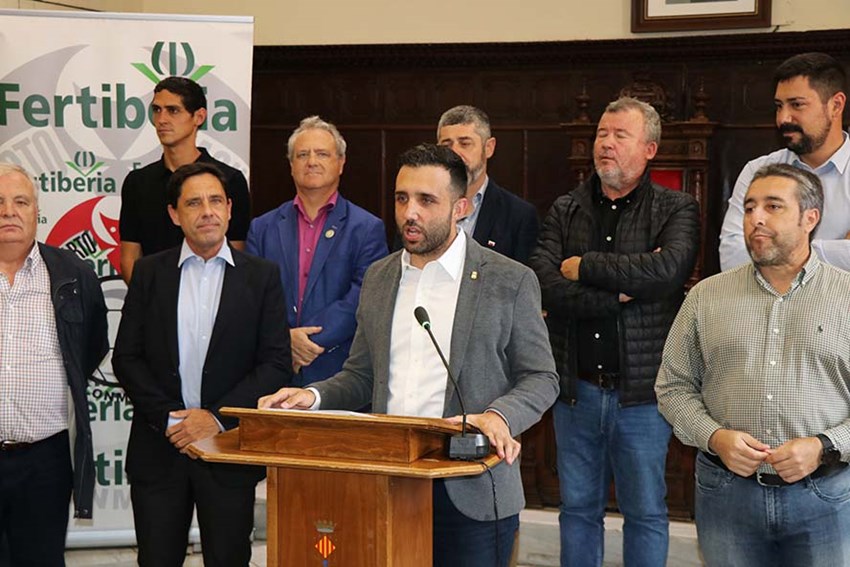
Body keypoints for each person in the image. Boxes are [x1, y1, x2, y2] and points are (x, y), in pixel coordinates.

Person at [259, 143, 559, 567]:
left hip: (471, 487)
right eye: (402, 198)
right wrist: (312, 396)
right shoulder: (380, 278)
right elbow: (362, 375)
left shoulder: (510, 280)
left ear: (460, 208)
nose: (409, 213)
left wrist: (499, 416)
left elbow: (542, 377)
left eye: (426, 200)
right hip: (390, 482)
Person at [530, 97, 700, 566]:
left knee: (645, 512)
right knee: (577, 510)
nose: (605, 143)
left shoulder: (676, 207)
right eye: (602, 134)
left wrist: (583, 266)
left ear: (649, 148)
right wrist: (616, 294)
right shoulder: (566, 208)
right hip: (576, 391)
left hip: (641, 396)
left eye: (619, 135)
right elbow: (544, 284)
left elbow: (667, 271)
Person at [656, 163, 850, 566]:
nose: (755, 218)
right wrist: (713, 437)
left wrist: (824, 446)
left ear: (810, 218)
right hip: (726, 495)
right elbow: (673, 387)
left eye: (773, 206)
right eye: (749, 208)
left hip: (826, 497)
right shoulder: (706, 296)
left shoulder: (845, 296)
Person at [112, 162, 291, 566]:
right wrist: (172, 420)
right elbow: (127, 357)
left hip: (228, 453)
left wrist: (214, 418)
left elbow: (276, 363)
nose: (207, 211)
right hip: (160, 450)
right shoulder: (149, 272)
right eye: (193, 203)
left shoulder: (261, 276)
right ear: (174, 214)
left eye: (215, 201)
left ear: (229, 209)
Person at [0, 163, 108, 565]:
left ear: (36, 211)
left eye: (20, 202)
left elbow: (91, 346)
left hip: (44, 460)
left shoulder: (72, 274)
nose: (9, 212)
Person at [247, 116, 387, 385]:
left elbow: (362, 297)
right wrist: (285, 339)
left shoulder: (367, 228)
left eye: (322, 154)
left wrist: (306, 342)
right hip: (274, 371)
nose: (311, 161)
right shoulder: (262, 228)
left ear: (341, 163)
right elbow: (253, 298)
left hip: (339, 373)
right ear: (291, 165)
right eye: (302, 155)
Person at [719, 52, 849, 271]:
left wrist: (772, 249)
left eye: (796, 105)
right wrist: (835, 250)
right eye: (779, 106)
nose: (783, 118)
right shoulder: (758, 171)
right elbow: (733, 259)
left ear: (835, 105)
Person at [119, 76, 251, 283]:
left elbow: (236, 255)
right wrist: (148, 297)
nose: (161, 120)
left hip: (213, 296)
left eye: (173, 110)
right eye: (157, 110)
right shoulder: (137, 183)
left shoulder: (230, 180)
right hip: (153, 298)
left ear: (199, 117)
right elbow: (130, 257)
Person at [436, 105, 539, 264]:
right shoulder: (418, 207)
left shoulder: (518, 216)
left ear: (489, 148)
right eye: (446, 145)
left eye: (465, 144)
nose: (454, 153)